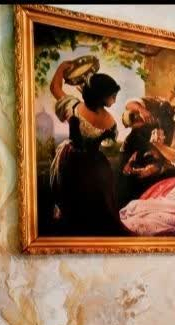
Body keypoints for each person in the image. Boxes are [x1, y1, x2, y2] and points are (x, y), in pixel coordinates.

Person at [48, 59, 123, 235]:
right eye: (112, 96)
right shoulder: (111, 122)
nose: (114, 99)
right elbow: (109, 145)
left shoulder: (74, 106)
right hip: (95, 165)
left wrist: (61, 68)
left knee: (74, 201)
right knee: (94, 202)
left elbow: (55, 88)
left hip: (71, 159)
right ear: (101, 97)